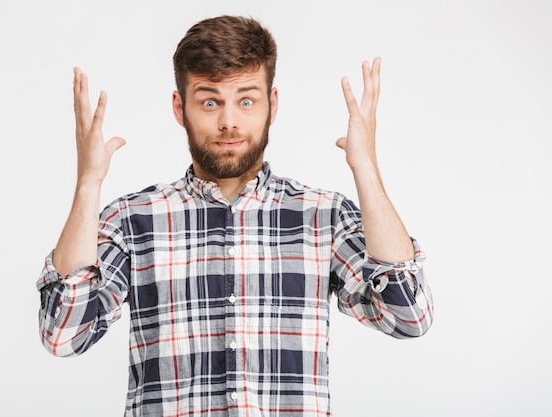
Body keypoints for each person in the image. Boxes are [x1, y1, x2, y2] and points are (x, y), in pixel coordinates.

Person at [37, 15, 433, 417]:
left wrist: (366, 169)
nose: (229, 121)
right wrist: (88, 183)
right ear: (180, 107)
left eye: (246, 100)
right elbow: (63, 334)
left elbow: (408, 316)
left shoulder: (322, 216)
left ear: (271, 105)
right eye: (210, 101)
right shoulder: (131, 219)